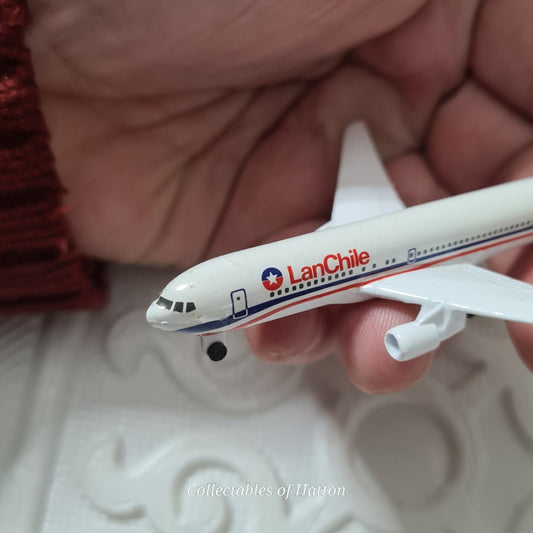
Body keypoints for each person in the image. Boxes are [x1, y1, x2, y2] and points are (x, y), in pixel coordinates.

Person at [4, 0, 533, 392]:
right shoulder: (329, 250)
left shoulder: (380, 271)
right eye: (178, 303)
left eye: (180, 304)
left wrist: (422, 331)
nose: (166, 312)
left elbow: (450, 308)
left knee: (391, 346)